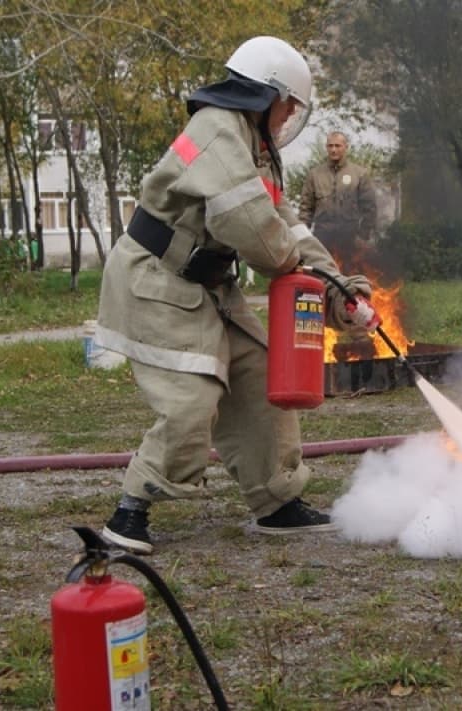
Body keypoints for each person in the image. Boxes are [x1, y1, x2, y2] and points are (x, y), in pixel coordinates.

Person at [93, 36, 380, 555]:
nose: (290, 115)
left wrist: (343, 291)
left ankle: (276, 501)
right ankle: (131, 507)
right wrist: (298, 269)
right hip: (156, 280)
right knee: (194, 394)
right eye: (288, 103)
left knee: (257, 371)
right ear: (266, 94)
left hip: (208, 285)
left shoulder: (254, 149)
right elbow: (250, 226)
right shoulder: (216, 130)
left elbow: (287, 227)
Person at [298, 131, 378, 267]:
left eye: (337, 146)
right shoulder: (315, 175)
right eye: (330, 146)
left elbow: (370, 208)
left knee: (349, 276)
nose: (333, 149)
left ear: (346, 147)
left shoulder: (359, 174)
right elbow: (306, 209)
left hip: (350, 237)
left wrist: (363, 236)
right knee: (323, 276)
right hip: (322, 236)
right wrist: (303, 237)